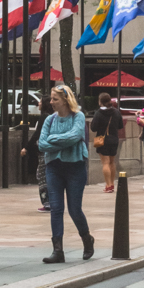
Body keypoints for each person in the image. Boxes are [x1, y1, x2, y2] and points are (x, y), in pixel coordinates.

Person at [39, 84, 94, 265]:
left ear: (65, 100)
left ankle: (87, 239)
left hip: (75, 167)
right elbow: (41, 144)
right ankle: (58, 251)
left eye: (55, 99)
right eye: (51, 99)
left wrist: (53, 140)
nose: (51, 102)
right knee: (56, 208)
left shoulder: (77, 116)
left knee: (74, 209)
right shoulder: (50, 120)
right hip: (53, 167)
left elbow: (76, 135)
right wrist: (60, 142)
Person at [89, 91, 121, 194]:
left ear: (100, 102)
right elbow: (120, 125)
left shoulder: (99, 113)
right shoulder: (116, 112)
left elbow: (93, 128)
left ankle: (108, 185)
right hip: (114, 139)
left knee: (105, 163)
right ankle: (112, 183)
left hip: (102, 140)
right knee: (112, 162)